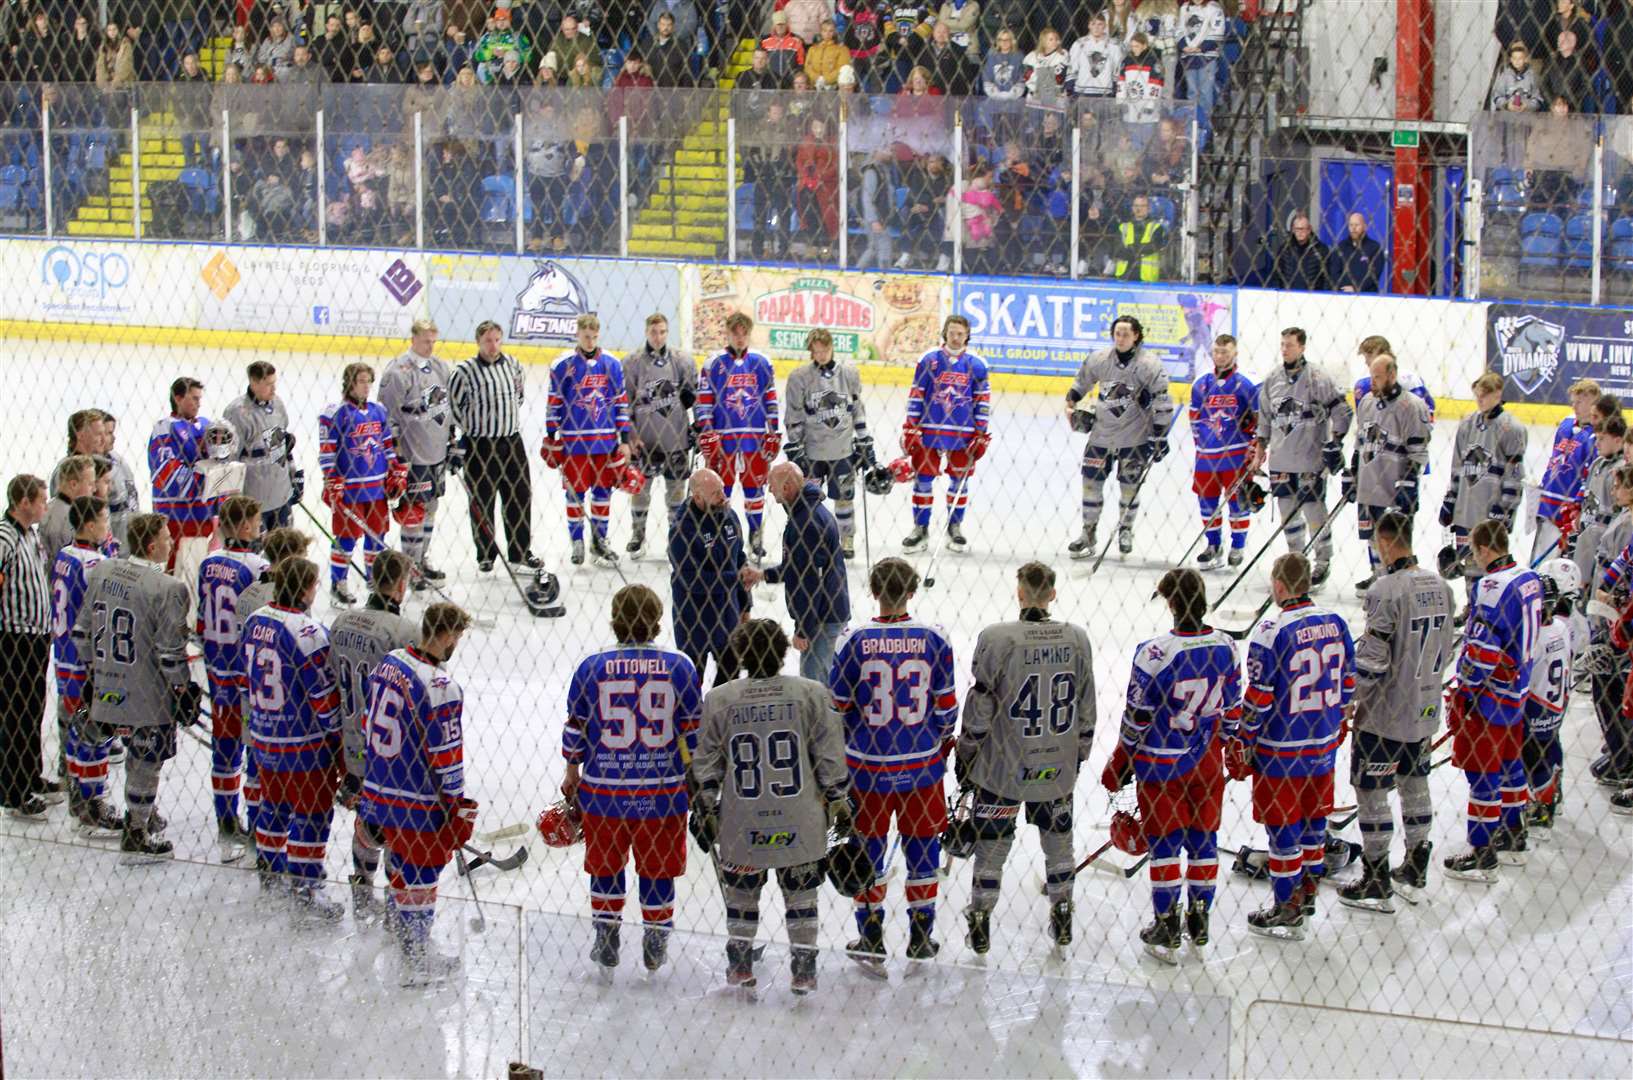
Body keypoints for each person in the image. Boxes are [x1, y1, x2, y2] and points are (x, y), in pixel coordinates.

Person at [690, 618, 850, 991]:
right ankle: (804, 970)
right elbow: (830, 757)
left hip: (743, 819)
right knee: (801, 896)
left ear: (742, 654)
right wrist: (840, 798)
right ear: (782, 652)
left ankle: (741, 965)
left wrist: (705, 804)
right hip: (799, 816)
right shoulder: (811, 692)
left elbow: (706, 765)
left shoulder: (720, 698)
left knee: (742, 897)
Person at [956, 561, 1096, 953]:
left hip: (1002, 768)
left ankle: (981, 916)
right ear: (1052, 593)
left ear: (1019, 593)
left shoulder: (998, 638)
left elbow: (979, 709)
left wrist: (967, 754)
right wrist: (1078, 756)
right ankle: (1062, 911)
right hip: (1055, 766)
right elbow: (1087, 706)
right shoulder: (1077, 639)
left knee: (991, 849)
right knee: (1059, 845)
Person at [563, 584, 702, 971]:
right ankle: (655, 940)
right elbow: (692, 733)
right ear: (657, 621)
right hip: (662, 793)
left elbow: (576, 727)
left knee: (605, 867)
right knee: (658, 871)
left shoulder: (592, 665)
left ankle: (606, 937)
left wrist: (572, 771)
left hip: (605, 792)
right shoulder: (679, 665)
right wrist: (695, 777)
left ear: (615, 619)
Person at [829, 557, 957, 965]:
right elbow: (947, 708)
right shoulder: (935, 637)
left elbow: (838, 707)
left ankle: (871, 936)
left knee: (868, 850)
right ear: (912, 592)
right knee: (923, 850)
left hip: (868, 768)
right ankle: (921, 936)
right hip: (921, 766)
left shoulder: (853, 638)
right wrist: (935, 742)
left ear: (873, 591)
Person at [1109, 567, 1238, 961]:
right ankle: (1200, 918)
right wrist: (1231, 746)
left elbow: (1137, 717)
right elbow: (1232, 709)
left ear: (1170, 603)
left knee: (1165, 842)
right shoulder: (1228, 645)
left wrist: (1121, 759)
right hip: (1207, 761)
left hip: (1162, 764)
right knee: (1203, 838)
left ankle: (1166, 922)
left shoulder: (1154, 653)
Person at [1338, 510, 1454, 913]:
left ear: (1386, 542)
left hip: (1385, 713)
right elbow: (1447, 646)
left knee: (1371, 792)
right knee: (1415, 783)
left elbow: (1372, 660)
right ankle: (1417, 863)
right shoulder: (1442, 586)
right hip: (1425, 707)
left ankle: (1375, 876)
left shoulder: (1385, 589)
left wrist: (1347, 700)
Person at [1235, 552, 1355, 939]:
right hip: (1322, 743)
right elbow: (1349, 684)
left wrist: (1244, 738)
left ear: (1280, 585)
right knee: (1314, 822)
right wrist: (1338, 723)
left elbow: (1259, 697)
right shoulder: (1336, 623)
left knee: (1282, 827)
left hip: (1281, 748)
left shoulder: (1272, 630)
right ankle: (1306, 894)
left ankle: (1286, 905)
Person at [359, 600, 477, 985]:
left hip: (379, 787)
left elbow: (367, 719)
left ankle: (399, 931)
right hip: (417, 799)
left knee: (400, 865)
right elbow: (447, 757)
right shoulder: (442, 685)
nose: (457, 642)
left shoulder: (390, 662)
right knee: (423, 873)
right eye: (458, 636)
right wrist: (456, 804)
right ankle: (416, 955)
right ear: (446, 636)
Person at [72, 513, 194, 862]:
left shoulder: (102, 571)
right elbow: (170, 655)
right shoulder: (168, 588)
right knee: (146, 761)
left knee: (127, 748)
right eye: (168, 538)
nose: (172, 543)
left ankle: (140, 811)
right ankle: (136, 830)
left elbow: (80, 634)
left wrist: (96, 673)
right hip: (147, 694)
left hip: (108, 685)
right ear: (153, 546)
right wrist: (183, 691)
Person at [242, 556, 345, 918]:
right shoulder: (308, 633)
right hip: (303, 744)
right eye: (315, 585)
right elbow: (323, 696)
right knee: (311, 814)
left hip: (264, 736)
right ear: (303, 589)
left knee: (273, 806)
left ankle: (270, 870)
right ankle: (306, 886)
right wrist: (338, 740)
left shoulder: (255, 619)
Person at [1444, 520, 1544, 882]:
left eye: (1473, 550)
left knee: (1482, 773)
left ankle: (1482, 850)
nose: (1473, 557)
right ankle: (1514, 831)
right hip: (1518, 690)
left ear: (1486, 549)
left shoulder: (1492, 586)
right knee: (1510, 761)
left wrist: (1466, 689)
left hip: (1490, 698)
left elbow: (1483, 651)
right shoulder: (1529, 577)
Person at [327, 549, 419, 922]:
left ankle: (362, 882)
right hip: (390, 746)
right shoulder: (404, 632)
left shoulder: (341, 622)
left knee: (367, 815)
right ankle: (398, 896)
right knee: (398, 821)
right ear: (400, 584)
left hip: (350, 741)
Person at [1064, 315, 1173, 559]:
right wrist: (1070, 406)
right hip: (1100, 437)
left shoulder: (1149, 364)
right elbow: (1080, 384)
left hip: (1134, 439)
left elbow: (1163, 400)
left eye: (1126, 334)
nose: (1120, 338)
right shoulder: (1100, 359)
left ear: (1136, 336)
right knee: (1090, 487)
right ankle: (1088, 532)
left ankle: (1125, 529)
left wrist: (1160, 435)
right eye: (1117, 333)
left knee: (1129, 489)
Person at [195, 494, 268, 861]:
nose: (259, 527)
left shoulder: (208, 563)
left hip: (216, 667)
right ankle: (256, 823)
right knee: (253, 747)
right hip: (246, 675)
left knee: (224, 747)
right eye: (254, 521)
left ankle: (225, 817)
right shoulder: (257, 566)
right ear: (242, 527)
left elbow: (200, 621)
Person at [1253, 327, 1353, 588]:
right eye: (1282, 344)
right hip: (1281, 459)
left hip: (1310, 458)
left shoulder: (1318, 377)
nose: (1285, 349)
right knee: (1288, 514)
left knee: (1314, 511)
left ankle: (1323, 561)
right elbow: (1264, 417)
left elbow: (1341, 409)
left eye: (1290, 345)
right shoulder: (1272, 379)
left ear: (1302, 347)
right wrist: (1260, 449)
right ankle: (1296, 559)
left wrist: (1336, 442)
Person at [740, 463, 850, 683]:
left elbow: (810, 581)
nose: (769, 490)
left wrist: (803, 629)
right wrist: (763, 575)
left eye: (772, 486)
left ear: (788, 487)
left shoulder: (806, 522)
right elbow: (798, 567)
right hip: (827, 611)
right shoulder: (807, 512)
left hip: (821, 618)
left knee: (814, 683)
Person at [52, 495, 122, 836]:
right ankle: (93, 808)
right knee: (96, 734)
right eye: (105, 520)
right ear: (90, 525)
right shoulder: (95, 563)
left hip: (64, 659)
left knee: (77, 731)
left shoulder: (66, 554)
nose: (108, 525)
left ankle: (79, 801)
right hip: (87, 664)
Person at [542, 314, 632, 568]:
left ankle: (600, 541)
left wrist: (623, 438)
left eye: (594, 337)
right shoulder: (563, 365)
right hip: (574, 444)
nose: (590, 341)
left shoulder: (612, 364)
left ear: (598, 335)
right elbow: (554, 402)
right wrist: (551, 436)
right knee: (575, 493)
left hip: (605, 443)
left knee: (603, 494)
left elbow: (620, 402)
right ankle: (577, 541)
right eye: (585, 336)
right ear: (577, 335)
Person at [450, 320, 538, 573]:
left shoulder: (513, 365)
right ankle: (486, 554)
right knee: (482, 500)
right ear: (479, 341)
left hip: (511, 441)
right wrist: (460, 439)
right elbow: (454, 408)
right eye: (488, 340)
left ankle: (520, 552)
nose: (493, 345)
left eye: (497, 340)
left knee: (520, 495)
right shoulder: (464, 372)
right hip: (480, 445)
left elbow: (518, 397)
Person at [901, 316, 991, 555]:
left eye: (960, 333)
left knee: (959, 481)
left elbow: (983, 400)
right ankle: (920, 528)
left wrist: (981, 432)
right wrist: (911, 426)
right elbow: (917, 394)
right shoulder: (928, 360)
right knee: (923, 479)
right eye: (951, 332)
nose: (955, 337)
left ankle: (955, 526)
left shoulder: (977, 364)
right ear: (945, 332)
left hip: (963, 433)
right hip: (929, 430)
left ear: (967, 335)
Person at [320, 363, 406, 607]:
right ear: (349, 383)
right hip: (349, 490)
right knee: (346, 538)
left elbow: (387, 445)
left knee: (377, 538)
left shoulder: (378, 410)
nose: (366, 386)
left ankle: (374, 581)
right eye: (361, 381)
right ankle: (338, 583)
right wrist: (331, 478)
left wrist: (395, 471)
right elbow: (326, 452)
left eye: (369, 381)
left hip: (377, 490)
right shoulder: (336, 413)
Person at [697, 312, 780, 562]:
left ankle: (755, 534)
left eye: (744, 333)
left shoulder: (762, 363)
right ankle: (720, 534)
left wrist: (773, 431)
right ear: (728, 333)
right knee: (720, 491)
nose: (740, 338)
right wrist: (707, 431)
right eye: (736, 333)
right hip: (724, 441)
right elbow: (704, 402)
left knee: (755, 489)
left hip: (754, 439)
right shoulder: (713, 363)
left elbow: (771, 398)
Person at [1442, 372, 1528, 615]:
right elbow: (1458, 466)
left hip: (1491, 510)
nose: (1480, 399)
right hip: (1467, 507)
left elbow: (1514, 475)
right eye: (1477, 394)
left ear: (1498, 394)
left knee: (1490, 564)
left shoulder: (1512, 428)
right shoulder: (1467, 425)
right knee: (1469, 562)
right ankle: (1472, 605)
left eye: (1485, 395)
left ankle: (1488, 608)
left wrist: (1505, 509)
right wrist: (1451, 499)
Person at [782, 328, 872, 558]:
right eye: (816, 351)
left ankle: (846, 538)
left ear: (832, 347)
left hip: (842, 450)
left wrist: (864, 441)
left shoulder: (849, 374)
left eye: (825, 349)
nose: (821, 355)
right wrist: (795, 446)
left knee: (844, 497)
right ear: (811, 351)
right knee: (810, 500)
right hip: (812, 451)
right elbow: (794, 415)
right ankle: (812, 538)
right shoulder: (800, 377)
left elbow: (857, 410)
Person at [1347, 353, 1431, 595]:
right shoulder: (1366, 403)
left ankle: (1400, 591)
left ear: (1392, 376)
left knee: (1396, 544)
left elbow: (1418, 451)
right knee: (1373, 541)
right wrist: (1353, 471)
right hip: (1368, 486)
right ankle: (1380, 585)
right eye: (1371, 376)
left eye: (1377, 377)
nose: (1372, 382)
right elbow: (1359, 442)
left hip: (1393, 490)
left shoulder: (1411, 405)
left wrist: (1408, 483)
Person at [378, 319, 454, 584]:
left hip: (436, 452)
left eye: (433, 341)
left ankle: (421, 559)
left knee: (431, 506)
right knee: (413, 511)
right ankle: (409, 566)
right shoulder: (398, 371)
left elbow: (447, 407)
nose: (430, 346)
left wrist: (451, 442)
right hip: (413, 456)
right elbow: (388, 417)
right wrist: (397, 456)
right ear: (413, 339)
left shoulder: (441, 367)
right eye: (425, 341)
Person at [1, 474, 58, 819]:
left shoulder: (30, 534)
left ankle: (30, 775)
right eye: (41, 500)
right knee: (15, 712)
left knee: (33, 710)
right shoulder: (5, 535)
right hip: (14, 639)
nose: (44, 506)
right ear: (24, 503)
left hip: (36, 637)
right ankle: (13, 790)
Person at [668, 468, 751, 686]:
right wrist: (736, 578)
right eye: (715, 493)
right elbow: (693, 580)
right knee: (691, 681)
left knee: (731, 677)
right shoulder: (681, 530)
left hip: (729, 617)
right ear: (697, 497)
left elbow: (739, 557)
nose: (723, 496)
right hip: (694, 622)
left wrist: (746, 605)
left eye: (722, 489)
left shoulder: (729, 516)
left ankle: (716, 715)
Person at [624, 313, 697, 559]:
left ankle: (674, 539)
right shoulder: (632, 363)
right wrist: (630, 436)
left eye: (663, 332)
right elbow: (625, 404)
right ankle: (638, 534)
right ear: (646, 332)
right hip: (644, 441)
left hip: (675, 439)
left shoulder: (682, 361)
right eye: (654, 332)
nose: (658, 337)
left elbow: (694, 396)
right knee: (640, 490)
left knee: (676, 492)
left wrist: (697, 426)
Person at [1188, 334, 1259, 569]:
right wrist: (1201, 446)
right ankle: (1213, 544)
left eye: (1225, 352)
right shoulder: (1201, 383)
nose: (1220, 356)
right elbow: (1194, 418)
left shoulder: (1247, 383)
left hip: (1237, 455)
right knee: (1206, 502)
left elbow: (1259, 419)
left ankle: (1238, 546)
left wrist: (1254, 448)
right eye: (1217, 352)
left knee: (1238, 502)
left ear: (1235, 353)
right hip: (1207, 456)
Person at [1523, 559, 1579, 838]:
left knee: (1529, 757)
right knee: (1549, 749)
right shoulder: (1562, 627)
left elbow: (1523, 677)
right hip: (1557, 703)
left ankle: (1539, 806)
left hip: (1536, 707)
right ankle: (1550, 796)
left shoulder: (1535, 639)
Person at [148, 376, 214, 582]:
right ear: (178, 398)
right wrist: (204, 480)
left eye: (199, 399)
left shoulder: (207, 425)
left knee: (200, 578)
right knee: (174, 576)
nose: (198, 403)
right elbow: (164, 475)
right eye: (193, 398)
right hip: (175, 518)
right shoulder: (165, 427)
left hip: (204, 517)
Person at [222, 361, 300, 532]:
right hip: (253, 500)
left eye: (274, 383)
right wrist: (234, 501)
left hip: (281, 494)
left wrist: (293, 476)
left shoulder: (277, 404)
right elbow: (230, 461)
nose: (274, 389)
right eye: (268, 384)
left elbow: (280, 451)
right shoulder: (236, 412)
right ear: (254, 382)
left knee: (283, 551)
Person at [1534, 378, 1600, 565]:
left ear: (1593, 403)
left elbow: (1590, 480)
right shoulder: (1565, 425)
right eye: (1573, 401)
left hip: (1567, 511)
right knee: (1540, 560)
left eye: (1580, 402)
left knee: (1559, 564)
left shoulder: (1595, 437)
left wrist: (1577, 509)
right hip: (1547, 504)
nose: (1574, 405)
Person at [1571, 414, 1625, 589]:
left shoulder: (1622, 471)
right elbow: (1586, 490)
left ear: (1618, 441)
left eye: (1602, 439)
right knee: (1579, 590)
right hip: (1587, 538)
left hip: (1606, 545)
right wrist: (1578, 510)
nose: (1596, 443)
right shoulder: (1597, 463)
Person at [40, 454, 95, 564]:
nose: (94, 489)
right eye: (90, 484)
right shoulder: (59, 519)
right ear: (74, 484)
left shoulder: (63, 509)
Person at [1066, 12, 1122, 98]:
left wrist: (1115, 91)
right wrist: (1070, 89)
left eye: (1100, 24)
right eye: (1093, 24)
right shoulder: (1079, 43)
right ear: (1089, 25)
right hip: (1082, 91)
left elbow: (1117, 70)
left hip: (1105, 92)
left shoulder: (1114, 45)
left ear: (1105, 26)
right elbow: (1072, 68)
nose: (1096, 27)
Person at [1113, 195, 1167, 282]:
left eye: (1142, 206)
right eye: (1136, 206)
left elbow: (1152, 247)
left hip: (1147, 278)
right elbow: (1117, 249)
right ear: (1132, 208)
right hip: (1124, 275)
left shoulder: (1156, 227)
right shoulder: (1123, 227)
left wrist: (1130, 249)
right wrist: (1139, 250)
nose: (1139, 209)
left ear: (1148, 208)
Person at [1328, 212, 1385, 293]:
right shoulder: (1341, 247)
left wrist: (1356, 288)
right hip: (1343, 294)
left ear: (1365, 227)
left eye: (1357, 225)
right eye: (1351, 225)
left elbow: (1374, 275)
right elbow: (1334, 271)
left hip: (1367, 296)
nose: (1353, 228)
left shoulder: (1374, 248)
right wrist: (1344, 288)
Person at [1272, 213, 1329, 292]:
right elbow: (1276, 275)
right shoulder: (1284, 249)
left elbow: (1327, 278)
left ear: (1309, 229)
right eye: (1297, 229)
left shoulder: (1321, 249)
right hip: (1288, 295)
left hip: (1313, 296)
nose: (1299, 232)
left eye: (1302, 229)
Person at [1490, 41, 1545, 111]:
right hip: (1507, 115)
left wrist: (1527, 106)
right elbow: (1496, 95)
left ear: (1525, 59)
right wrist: (1507, 105)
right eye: (1514, 58)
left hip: (1526, 116)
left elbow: (1538, 99)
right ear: (1511, 60)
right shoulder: (1505, 75)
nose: (1517, 61)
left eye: (1520, 58)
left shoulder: (1532, 76)